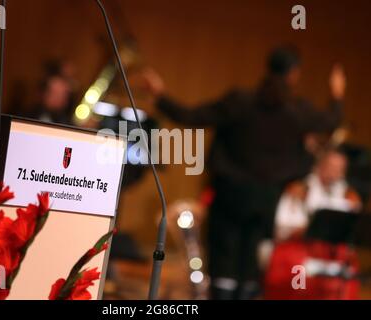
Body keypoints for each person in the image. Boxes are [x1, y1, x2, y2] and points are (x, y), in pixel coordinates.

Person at [141, 46, 347, 299]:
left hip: (229, 198)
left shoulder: (239, 101)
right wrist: (337, 95)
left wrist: (159, 95)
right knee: (250, 270)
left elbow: (190, 116)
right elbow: (330, 122)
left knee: (222, 268)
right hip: (265, 201)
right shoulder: (298, 112)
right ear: (293, 75)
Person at [275, 147, 361, 242]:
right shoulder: (298, 190)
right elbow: (281, 230)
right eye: (330, 166)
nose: (334, 172)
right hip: (298, 246)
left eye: (339, 168)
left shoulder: (349, 196)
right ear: (319, 165)